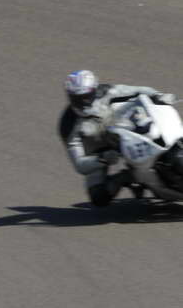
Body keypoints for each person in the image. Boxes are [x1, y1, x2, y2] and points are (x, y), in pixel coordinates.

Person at [59, 70, 176, 206]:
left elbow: (140, 90)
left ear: (94, 90)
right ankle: (127, 177)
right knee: (98, 197)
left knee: (159, 131)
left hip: (124, 130)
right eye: (77, 98)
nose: (83, 102)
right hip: (99, 152)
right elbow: (79, 164)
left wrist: (158, 95)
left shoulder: (107, 91)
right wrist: (102, 158)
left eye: (86, 96)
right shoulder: (68, 124)